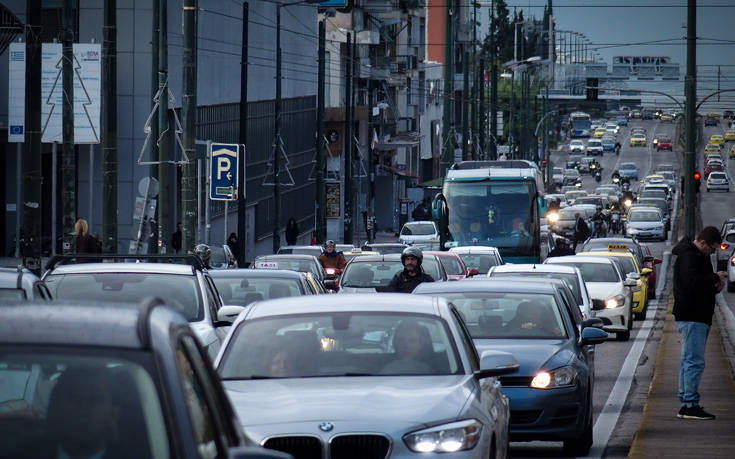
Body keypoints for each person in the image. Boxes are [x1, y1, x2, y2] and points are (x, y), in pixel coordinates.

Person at [672, 226, 727, 420]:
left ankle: (686, 400)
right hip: (693, 315)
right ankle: (690, 404)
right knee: (694, 361)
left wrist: (715, 288)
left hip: (695, 314)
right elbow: (692, 283)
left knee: (689, 360)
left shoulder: (694, 255)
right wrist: (714, 278)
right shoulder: (691, 256)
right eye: (711, 249)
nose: (712, 253)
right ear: (703, 242)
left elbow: (697, 286)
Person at [44, 366, 121, 459]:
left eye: (95, 400)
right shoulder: (25, 454)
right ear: (57, 407)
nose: (84, 409)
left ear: (113, 412)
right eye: (74, 399)